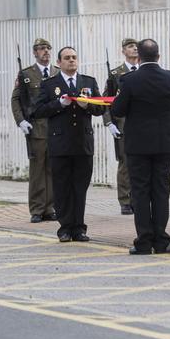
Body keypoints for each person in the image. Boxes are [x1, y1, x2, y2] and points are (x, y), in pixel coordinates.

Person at [111, 39, 170, 254]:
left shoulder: (129, 80)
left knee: (141, 192)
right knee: (161, 191)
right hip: (164, 143)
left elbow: (118, 109)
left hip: (138, 145)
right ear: (159, 56)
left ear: (140, 58)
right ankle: (161, 240)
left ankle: (144, 241)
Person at [31, 46, 104, 242]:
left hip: (82, 142)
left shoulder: (88, 81)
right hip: (60, 143)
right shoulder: (49, 84)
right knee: (62, 187)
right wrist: (58, 105)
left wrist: (87, 105)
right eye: (67, 58)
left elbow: (101, 109)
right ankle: (65, 227)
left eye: (74, 57)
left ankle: (79, 228)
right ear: (59, 62)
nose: (71, 60)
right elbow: (37, 111)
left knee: (80, 187)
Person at [11, 38, 59, 224]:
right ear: (34, 53)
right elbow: (16, 100)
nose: (45, 51)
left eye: (48, 48)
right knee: (38, 170)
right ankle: (37, 209)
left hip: (55, 127)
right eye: (41, 49)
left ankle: (51, 207)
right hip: (36, 128)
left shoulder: (57, 72)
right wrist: (21, 121)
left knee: (53, 169)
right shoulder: (26, 74)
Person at [102, 38, 139, 215]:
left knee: (140, 162)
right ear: (123, 51)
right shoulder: (116, 74)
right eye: (131, 46)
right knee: (125, 163)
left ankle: (138, 198)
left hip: (141, 123)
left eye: (136, 46)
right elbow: (106, 99)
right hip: (123, 124)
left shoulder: (143, 71)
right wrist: (109, 122)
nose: (135, 49)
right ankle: (125, 200)